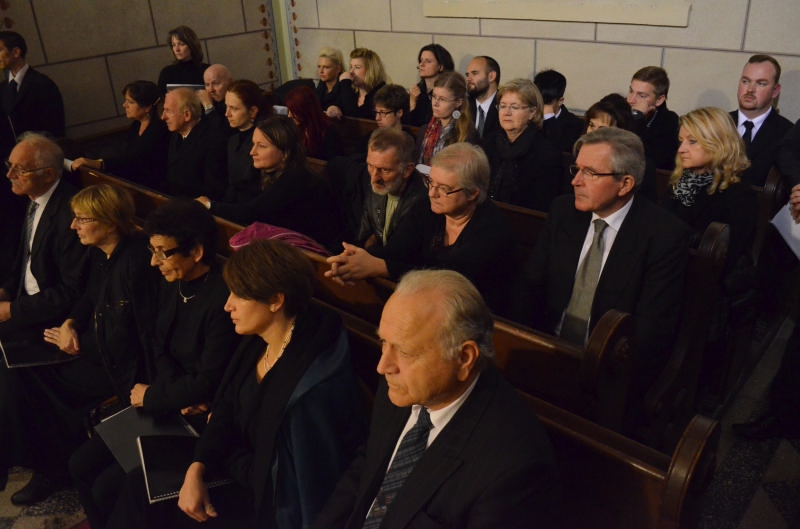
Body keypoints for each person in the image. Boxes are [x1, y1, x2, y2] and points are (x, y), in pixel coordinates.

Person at [106, 240, 366, 529]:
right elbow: (226, 406)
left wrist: (213, 459)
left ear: (275, 300)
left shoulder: (308, 389)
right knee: (131, 479)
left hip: (264, 504)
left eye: (239, 295)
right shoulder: (259, 340)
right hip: (233, 465)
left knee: (142, 495)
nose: (227, 304)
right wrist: (197, 466)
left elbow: (275, 481)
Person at [312, 269, 559, 529]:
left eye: (405, 352)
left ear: (464, 358)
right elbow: (368, 468)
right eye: (383, 341)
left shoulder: (514, 470)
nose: (382, 366)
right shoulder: (402, 385)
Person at [69, 198, 239, 528]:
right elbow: (157, 344)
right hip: (169, 400)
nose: (153, 261)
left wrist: (156, 396)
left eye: (163, 252)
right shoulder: (172, 281)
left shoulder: (223, 299)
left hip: (199, 418)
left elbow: (209, 379)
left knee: (109, 487)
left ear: (197, 252)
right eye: (152, 250)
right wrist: (166, 393)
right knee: (80, 464)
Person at [0, 184, 156, 506]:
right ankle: (36, 459)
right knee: (15, 373)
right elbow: (88, 297)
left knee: (37, 388)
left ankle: (53, 468)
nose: (73, 226)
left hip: (119, 366)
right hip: (93, 345)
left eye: (82, 219)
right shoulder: (100, 251)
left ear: (110, 223)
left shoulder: (136, 261)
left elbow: (130, 335)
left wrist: (78, 343)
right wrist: (70, 323)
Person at [513, 127, 689, 399]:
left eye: (590, 173)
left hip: (607, 372)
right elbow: (530, 286)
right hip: (546, 349)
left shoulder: (664, 235)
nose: (575, 181)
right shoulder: (563, 211)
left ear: (625, 184)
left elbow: (650, 333)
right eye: (576, 169)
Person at [327, 142, 515, 314]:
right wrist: (355, 259)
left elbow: (450, 279)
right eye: (430, 182)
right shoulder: (425, 207)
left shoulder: (493, 228)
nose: (432, 193)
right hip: (426, 304)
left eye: (444, 188)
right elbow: (397, 250)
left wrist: (380, 267)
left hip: (473, 314)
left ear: (473, 193)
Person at [197, 116, 344, 253]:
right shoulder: (263, 169)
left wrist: (210, 206)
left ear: (284, 151)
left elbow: (252, 211)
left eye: (261, 146)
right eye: (253, 144)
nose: (252, 152)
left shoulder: (296, 177)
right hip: (282, 247)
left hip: (312, 253)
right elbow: (237, 195)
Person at [0, 132, 86, 338]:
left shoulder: (71, 214)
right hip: (25, 302)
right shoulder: (34, 199)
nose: (9, 175)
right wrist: (6, 291)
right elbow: (25, 262)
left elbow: (71, 291)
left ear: (48, 175)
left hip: (51, 320)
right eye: (9, 165)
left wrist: (12, 310)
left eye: (20, 170)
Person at [70, 80, 169, 188]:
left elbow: (136, 161)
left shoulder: (159, 129)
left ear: (147, 107)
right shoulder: (136, 124)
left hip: (152, 184)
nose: (124, 105)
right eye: (125, 101)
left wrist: (99, 164)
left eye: (130, 102)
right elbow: (125, 153)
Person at [482, 78, 562, 211]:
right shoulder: (489, 143)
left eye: (514, 107)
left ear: (532, 112)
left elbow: (542, 206)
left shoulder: (546, 153)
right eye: (502, 106)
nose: (506, 112)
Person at [0, 31, 65, 159]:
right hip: (13, 159)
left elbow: (55, 128)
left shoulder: (43, 84)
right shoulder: (2, 88)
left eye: (0, 50)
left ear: (16, 52)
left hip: (41, 157)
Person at [730, 54, 793, 187]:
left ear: (775, 91)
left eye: (761, 83)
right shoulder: (717, 123)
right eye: (745, 81)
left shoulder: (788, 133)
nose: (750, 89)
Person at [583, 93, 658, 201]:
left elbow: (646, 205)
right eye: (591, 125)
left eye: (602, 129)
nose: (593, 133)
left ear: (620, 131)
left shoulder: (642, 166)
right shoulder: (579, 156)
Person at [161, 87, 228, 199]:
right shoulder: (175, 135)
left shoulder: (212, 140)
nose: (163, 117)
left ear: (187, 115)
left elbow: (213, 189)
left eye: (168, 111)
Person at [223, 79, 273, 204]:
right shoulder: (233, 140)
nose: (227, 114)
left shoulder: (265, 142)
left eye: (234, 108)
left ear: (252, 111)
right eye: (226, 107)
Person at [415, 71, 478, 166]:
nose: (435, 103)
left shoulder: (467, 135)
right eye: (434, 96)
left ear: (458, 102)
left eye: (442, 99)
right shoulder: (424, 130)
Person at [626, 66, 679, 170]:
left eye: (641, 96)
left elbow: (655, 162)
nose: (631, 100)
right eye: (631, 91)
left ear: (659, 100)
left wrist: (638, 118)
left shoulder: (669, 121)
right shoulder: (620, 109)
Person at [285, 84, 344, 160]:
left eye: (294, 111)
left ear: (305, 110)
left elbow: (332, 162)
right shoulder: (295, 129)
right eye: (289, 110)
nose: (289, 115)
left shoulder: (329, 132)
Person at [327, 48, 387, 120]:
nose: (351, 72)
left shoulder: (382, 94)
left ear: (370, 70)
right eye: (351, 67)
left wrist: (345, 83)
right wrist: (333, 108)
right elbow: (335, 102)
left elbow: (355, 115)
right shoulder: (352, 91)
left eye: (357, 67)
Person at [535, 68, 584, 154]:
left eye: (547, 102)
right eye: (538, 100)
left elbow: (558, 151)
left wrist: (549, 118)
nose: (541, 106)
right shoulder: (529, 117)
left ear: (560, 101)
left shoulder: (574, 124)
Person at [404, 43, 454, 127]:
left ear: (440, 67)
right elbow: (407, 125)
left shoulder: (447, 92)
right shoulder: (417, 91)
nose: (421, 64)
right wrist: (412, 102)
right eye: (421, 60)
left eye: (428, 61)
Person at [157, 26, 208, 93]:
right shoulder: (166, 73)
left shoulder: (206, 71)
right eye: (173, 45)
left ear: (192, 45)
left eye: (181, 44)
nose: (177, 49)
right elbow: (161, 97)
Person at [466, 55, 501, 140]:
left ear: (491, 76)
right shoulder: (463, 106)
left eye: (474, 73)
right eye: (467, 75)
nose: (468, 79)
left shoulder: (504, 106)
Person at [197, 64, 234, 131]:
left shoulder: (237, 103)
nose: (211, 90)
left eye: (216, 83)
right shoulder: (203, 103)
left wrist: (208, 106)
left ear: (230, 82)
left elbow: (224, 132)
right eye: (207, 84)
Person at [315, 46, 344, 111]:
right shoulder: (320, 88)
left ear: (338, 69)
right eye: (319, 66)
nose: (321, 71)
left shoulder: (344, 89)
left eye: (326, 67)